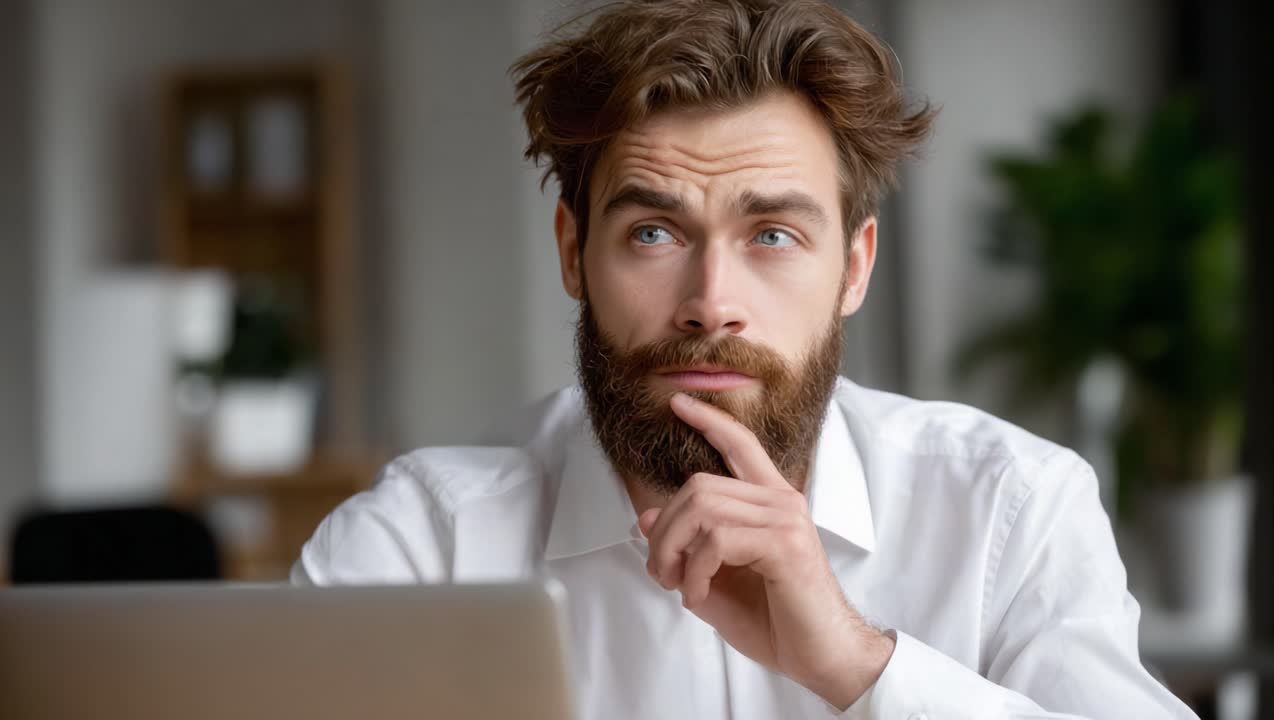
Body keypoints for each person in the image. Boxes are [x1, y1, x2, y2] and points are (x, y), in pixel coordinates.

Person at [293, 1, 1196, 717]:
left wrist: (857, 662)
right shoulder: (424, 548)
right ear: (574, 253)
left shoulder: (1012, 511)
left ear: (853, 266)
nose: (711, 302)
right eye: (653, 231)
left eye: (772, 233)